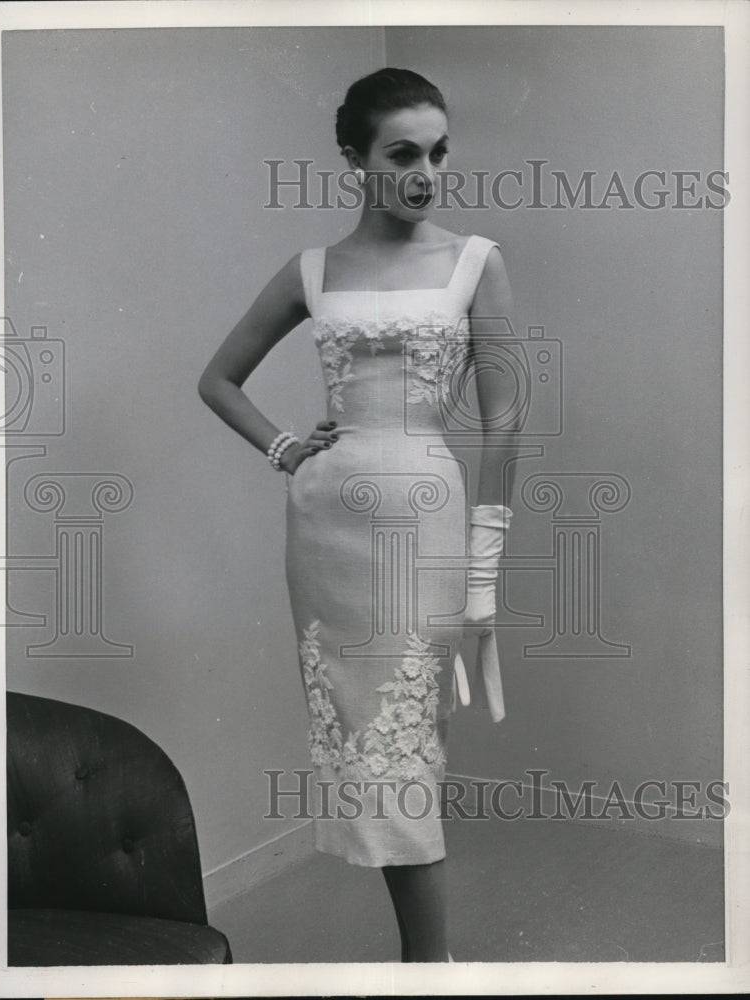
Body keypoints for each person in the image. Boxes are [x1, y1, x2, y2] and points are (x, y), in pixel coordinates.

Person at [198, 67, 519, 963]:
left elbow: (506, 419)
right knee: (368, 752)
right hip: (326, 528)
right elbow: (217, 380)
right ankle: (425, 960)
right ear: (353, 159)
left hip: (424, 521)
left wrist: (487, 565)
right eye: (402, 154)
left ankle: (429, 964)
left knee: (405, 741)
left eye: (439, 152)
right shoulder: (311, 270)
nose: (426, 173)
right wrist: (283, 447)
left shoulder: (473, 263)